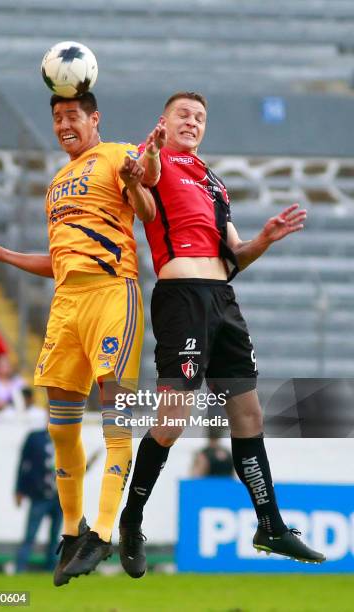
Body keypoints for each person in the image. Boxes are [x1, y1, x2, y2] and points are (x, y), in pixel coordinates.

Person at [118, 91, 325, 578]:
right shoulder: (155, 160)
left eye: (200, 117)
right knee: (174, 419)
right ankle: (131, 521)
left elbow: (234, 257)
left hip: (221, 300)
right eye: (183, 115)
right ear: (163, 123)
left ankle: (269, 524)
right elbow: (145, 197)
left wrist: (265, 240)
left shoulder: (212, 180)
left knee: (249, 412)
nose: (192, 122)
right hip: (183, 297)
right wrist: (146, 157)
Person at [0, 92, 156, 586]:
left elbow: (150, 206)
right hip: (67, 303)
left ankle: (103, 530)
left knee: (116, 421)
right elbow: (58, 261)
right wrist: (5, 255)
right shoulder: (56, 185)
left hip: (113, 293)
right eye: (57, 118)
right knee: (60, 426)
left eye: (73, 115)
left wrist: (139, 181)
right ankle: (73, 532)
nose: (64, 124)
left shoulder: (118, 155)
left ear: (94, 118)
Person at [15, 426, 62, 572]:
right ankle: (20, 568)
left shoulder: (68, 438)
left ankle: (51, 569)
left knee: (55, 537)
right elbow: (23, 464)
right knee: (30, 535)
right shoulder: (35, 438)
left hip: (59, 497)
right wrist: (19, 490)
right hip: (39, 495)